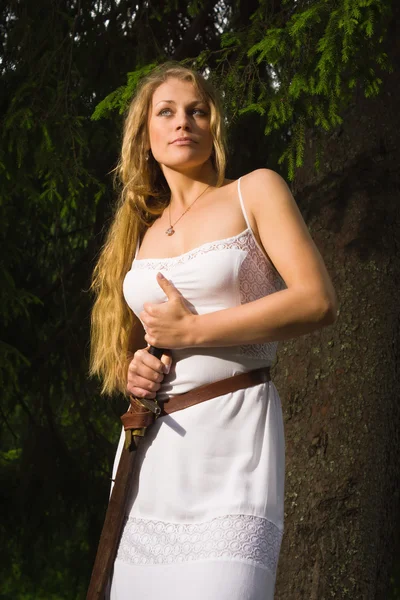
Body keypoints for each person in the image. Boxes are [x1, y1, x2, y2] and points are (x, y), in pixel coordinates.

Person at [90, 62, 337, 600]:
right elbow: (149, 341)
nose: (185, 122)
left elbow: (317, 301)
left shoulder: (254, 192)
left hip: (233, 442)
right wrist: (138, 369)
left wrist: (195, 331)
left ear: (214, 126)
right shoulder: (140, 233)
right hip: (152, 455)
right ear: (145, 136)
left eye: (198, 111)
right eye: (168, 112)